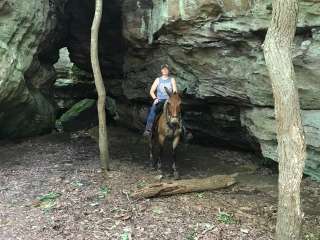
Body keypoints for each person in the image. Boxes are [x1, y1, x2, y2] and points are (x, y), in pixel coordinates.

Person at [143, 64, 177, 137]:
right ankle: (148, 129)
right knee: (153, 110)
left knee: (179, 110)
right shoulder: (158, 80)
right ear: (161, 70)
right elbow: (151, 91)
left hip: (169, 101)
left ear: (168, 70)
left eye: (166, 69)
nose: (165, 70)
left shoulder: (172, 79)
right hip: (160, 100)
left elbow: (175, 92)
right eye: (163, 69)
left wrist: (173, 99)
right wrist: (155, 98)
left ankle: (185, 131)